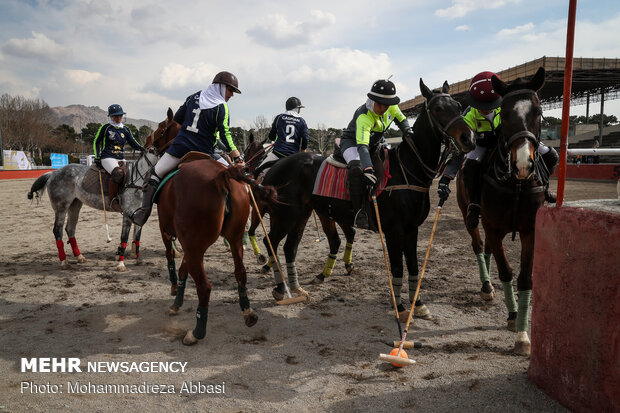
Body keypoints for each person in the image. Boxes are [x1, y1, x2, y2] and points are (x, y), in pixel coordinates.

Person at [436, 71, 558, 230]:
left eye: (489, 107)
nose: (485, 110)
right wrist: (447, 176)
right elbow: (462, 147)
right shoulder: (468, 116)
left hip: (508, 140)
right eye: (481, 107)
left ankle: (545, 188)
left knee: (551, 155)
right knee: (470, 166)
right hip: (481, 145)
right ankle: (473, 204)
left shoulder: (507, 106)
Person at [129, 71, 243, 226]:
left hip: (179, 149)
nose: (232, 95)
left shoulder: (193, 96)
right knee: (234, 177)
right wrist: (236, 157)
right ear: (221, 87)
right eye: (230, 90)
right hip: (206, 152)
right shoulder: (222, 108)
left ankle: (143, 213)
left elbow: (177, 119)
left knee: (155, 173)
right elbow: (225, 134)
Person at [340, 78, 412, 229]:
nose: (384, 108)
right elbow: (363, 146)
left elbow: (402, 120)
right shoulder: (364, 115)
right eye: (380, 104)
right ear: (372, 100)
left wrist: (408, 131)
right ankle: (359, 212)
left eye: (387, 105)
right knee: (356, 169)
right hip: (353, 143)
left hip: (375, 142)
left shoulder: (391, 106)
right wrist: (367, 168)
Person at [93, 104, 146, 212]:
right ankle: (112, 200)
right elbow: (96, 142)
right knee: (118, 173)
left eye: (120, 116)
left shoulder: (125, 129)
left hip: (121, 158)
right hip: (108, 157)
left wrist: (142, 148)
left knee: (132, 175)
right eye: (116, 116)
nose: (118, 118)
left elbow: (133, 142)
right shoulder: (105, 127)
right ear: (111, 117)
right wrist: (97, 156)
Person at [253, 97, 309, 178]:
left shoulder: (279, 118)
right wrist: (303, 150)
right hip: (293, 157)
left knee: (258, 173)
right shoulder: (302, 121)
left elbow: (271, 136)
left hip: (277, 154)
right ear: (297, 109)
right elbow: (305, 139)